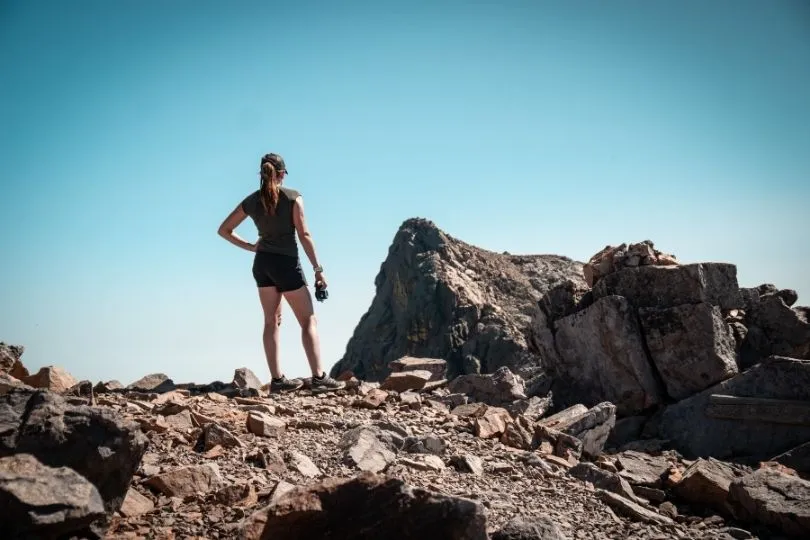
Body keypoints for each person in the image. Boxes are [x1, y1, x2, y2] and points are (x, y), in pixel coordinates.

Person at [217, 153, 344, 393]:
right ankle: (319, 378)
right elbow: (304, 234)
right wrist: (318, 270)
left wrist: (251, 247)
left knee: (271, 322)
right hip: (286, 263)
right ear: (282, 173)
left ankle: (278, 382)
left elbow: (224, 230)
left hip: (262, 263)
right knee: (308, 320)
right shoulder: (293, 198)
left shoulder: (251, 201)